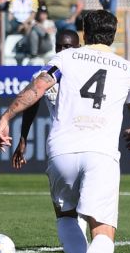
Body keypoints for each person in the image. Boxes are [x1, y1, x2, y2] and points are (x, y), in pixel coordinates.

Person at [0, 10, 130, 253]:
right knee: (102, 229)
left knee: (66, 217)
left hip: (62, 151)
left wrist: (5, 117)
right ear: (113, 36)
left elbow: (38, 88)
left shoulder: (64, 58)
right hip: (101, 153)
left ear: (85, 33)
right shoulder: (126, 68)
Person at [11, 29, 81, 170]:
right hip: (61, 145)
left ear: (78, 48)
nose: (62, 51)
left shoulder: (88, 74)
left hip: (88, 141)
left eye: (67, 47)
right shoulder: (41, 77)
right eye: (59, 47)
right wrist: (23, 139)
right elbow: (31, 107)